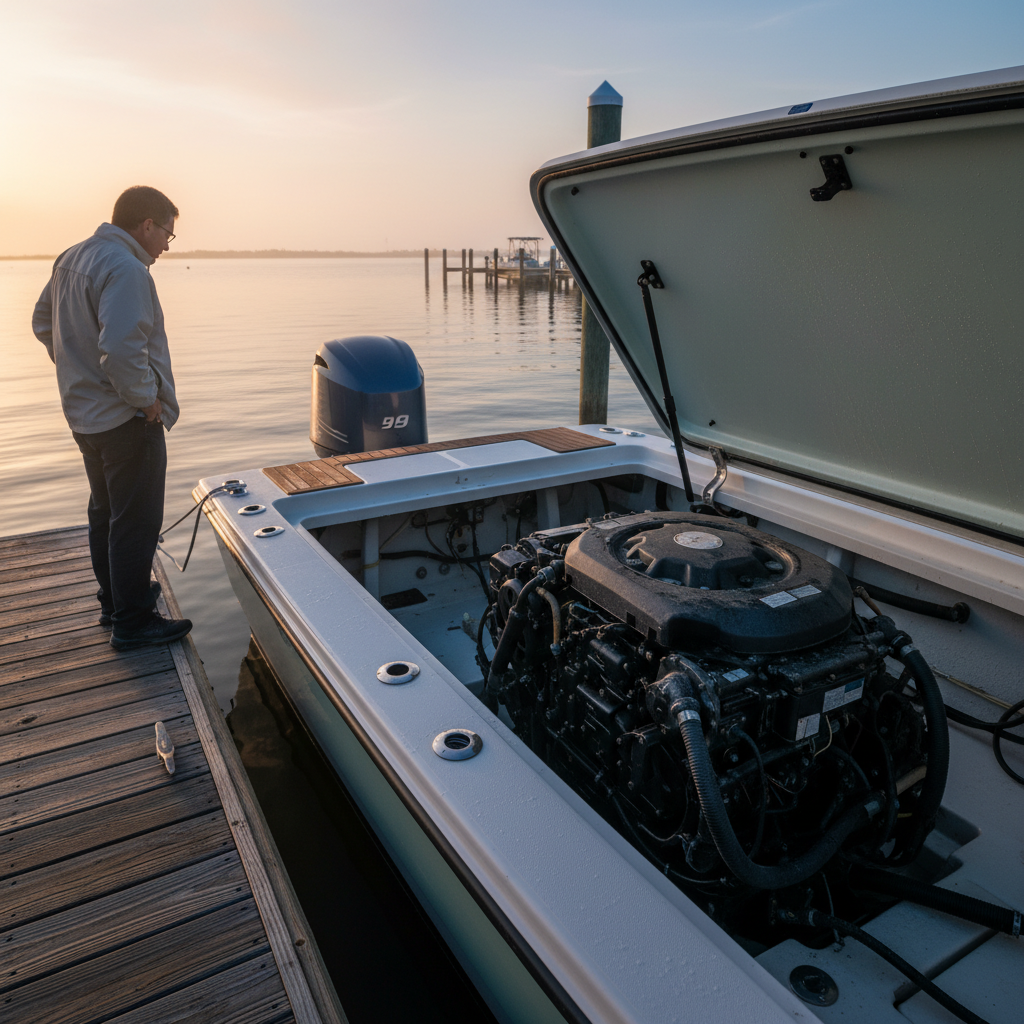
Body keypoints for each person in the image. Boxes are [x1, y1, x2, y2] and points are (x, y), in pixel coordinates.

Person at [32, 186, 192, 650]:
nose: (166, 244)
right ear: (146, 225)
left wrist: (77, 368)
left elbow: (44, 322)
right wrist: (146, 402)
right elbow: (122, 351)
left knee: (105, 512)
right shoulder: (126, 268)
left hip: (84, 414)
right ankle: (135, 621)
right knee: (135, 520)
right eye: (167, 232)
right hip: (126, 419)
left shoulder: (73, 256)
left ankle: (115, 601)